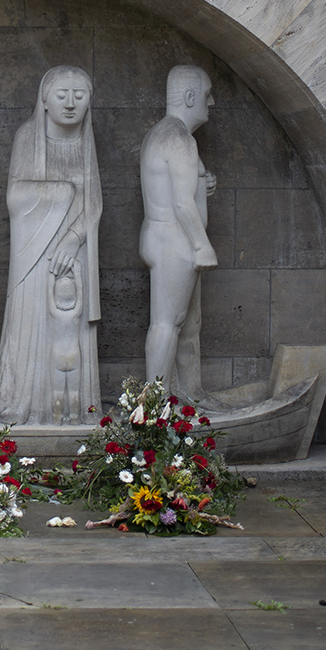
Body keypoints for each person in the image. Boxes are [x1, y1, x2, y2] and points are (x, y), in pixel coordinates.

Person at [0, 66, 102, 425]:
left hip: (75, 252)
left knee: (71, 333)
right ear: (45, 99)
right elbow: (15, 197)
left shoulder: (85, 142)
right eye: (62, 95)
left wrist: (74, 237)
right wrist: (63, 194)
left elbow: (95, 202)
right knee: (31, 325)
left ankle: (75, 409)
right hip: (34, 254)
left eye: (79, 96)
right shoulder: (27, 138)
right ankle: (24, 402)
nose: (70, 103)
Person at [140, 64, 218, 399]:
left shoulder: (161, 133)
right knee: (167, 323)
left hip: (167, 237)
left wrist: (204, 181)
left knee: (188, 324)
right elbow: (182, 203)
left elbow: (177, 185)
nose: (211, 102)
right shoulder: (180, 139)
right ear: (189, 97)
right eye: (206, 95)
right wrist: (203, 245)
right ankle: (154, 407)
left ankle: (191, 394)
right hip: (176, 239)